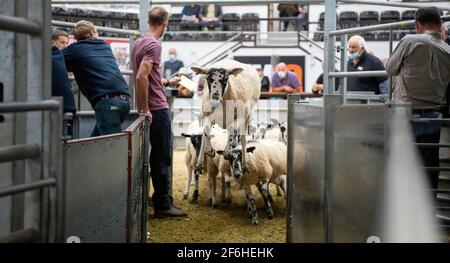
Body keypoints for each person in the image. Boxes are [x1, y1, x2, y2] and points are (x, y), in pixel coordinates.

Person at [131, 6, 187, 218]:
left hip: (151, 104)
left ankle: (160, 200)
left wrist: (166, 81)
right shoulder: (154, 44)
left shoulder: (140, 42)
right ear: (165, 23)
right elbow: (141, 77)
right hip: (156, 108)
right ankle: (163, 205)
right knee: (162, 155)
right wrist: (146, 109)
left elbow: (148, 75)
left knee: (156, 155)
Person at [386, 7, 450, 190]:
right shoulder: (448, 50)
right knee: (428, 167)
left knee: (400, 164)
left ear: (417, 25)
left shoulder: (409, 41)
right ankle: (428, 209)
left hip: (404, 114)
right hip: (433, 116)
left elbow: (390, 69)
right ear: (439, 25)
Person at [62, 20, 130, 137]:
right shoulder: (105, 46)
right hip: (125, 101)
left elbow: (54, 60)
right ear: (92, 34)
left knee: (110, 146)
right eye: (97, 32)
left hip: (107, 103)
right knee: (95, 143)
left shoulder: (74, 50)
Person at [52, 42, 76, 137]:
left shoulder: (51, 55)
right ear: (53, 42)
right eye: (62, 42)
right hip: (67, 106)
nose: (66, 45)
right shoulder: (57, 55)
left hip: (57, 106)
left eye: (67, 42)